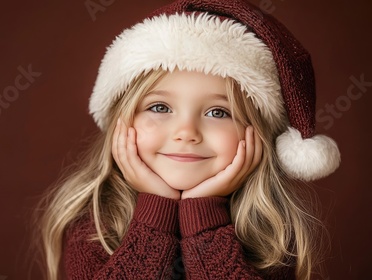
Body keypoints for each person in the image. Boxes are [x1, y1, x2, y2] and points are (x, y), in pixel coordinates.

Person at [32, 0, 341, 279]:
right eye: (159, 107)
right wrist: (156, 214)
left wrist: (205, 217)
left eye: (218, 112)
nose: (187, 133)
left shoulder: (272, 231)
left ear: (257, 134)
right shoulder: (96, 224)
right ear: (121, 124)